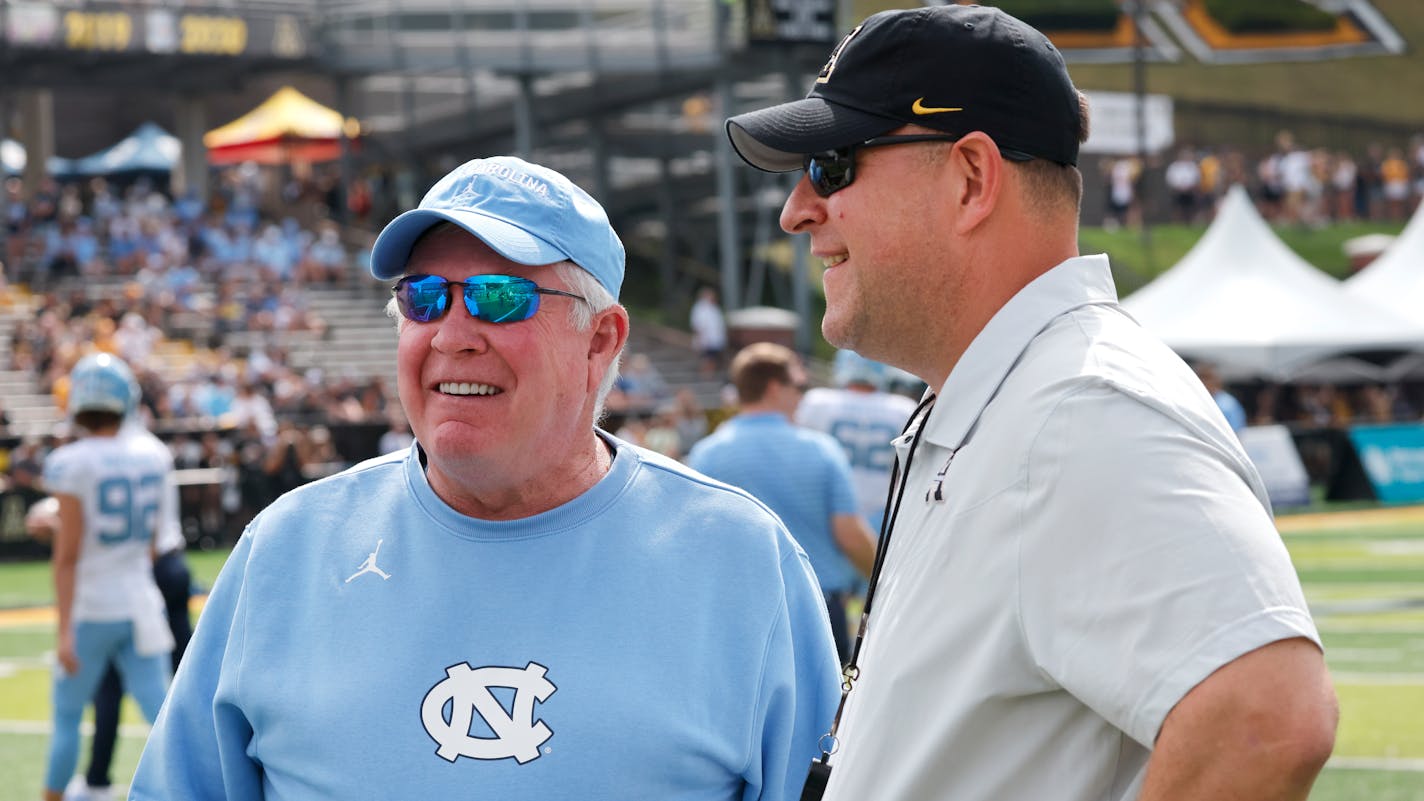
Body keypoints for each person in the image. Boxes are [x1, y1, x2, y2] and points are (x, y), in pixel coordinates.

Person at [725, 6, 1337, 801]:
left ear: (973, 179)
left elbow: (1266, 719)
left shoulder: (1081, 408)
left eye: (835, 163)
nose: (796, 208)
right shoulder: (1024, 397)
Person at [130, 156, 839, 800]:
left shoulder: (744, 560)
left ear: (600, 341)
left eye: (502, 297)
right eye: (426, 297)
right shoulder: (285, 548)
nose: (453, 332)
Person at [40, 353, 175, 801]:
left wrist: (62, 631)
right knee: (165, 720)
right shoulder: (153, 455)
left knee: (66, 719)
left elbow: (68, 556)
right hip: (140, 602)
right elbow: (154, 544)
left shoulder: (71, 461)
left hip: (92, 608)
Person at [688, 343, 877, 663]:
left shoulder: (707, 454)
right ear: (775, 388)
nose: (803, 395)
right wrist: (883, 581)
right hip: (815, 607)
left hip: (738, 612)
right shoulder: (822, 451)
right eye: (800, 386)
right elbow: (849, 535)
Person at [66, 412, 193, 801]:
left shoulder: (110, 455)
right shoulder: (151, 450)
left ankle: (99, 779)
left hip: (136, 575)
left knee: (111, 685)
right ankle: (205, 767)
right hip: (170, 565)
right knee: (189, 675)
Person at [796, 350, 918, 531]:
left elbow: (803, 458)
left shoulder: (817, 402)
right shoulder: (903, 408)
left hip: (829, 509)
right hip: (882, 510)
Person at [690, 285, 728, 376]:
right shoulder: (700, 308)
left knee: (712, 358)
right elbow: (698, 325)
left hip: (715, 340)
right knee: (707, 359)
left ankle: (709, 375)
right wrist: (699, 339)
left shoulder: (714, 308)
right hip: (706, 339)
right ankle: (706, 375)